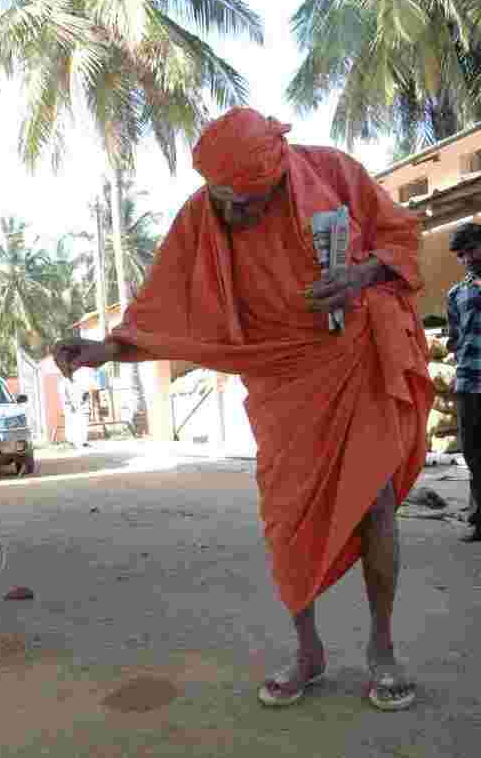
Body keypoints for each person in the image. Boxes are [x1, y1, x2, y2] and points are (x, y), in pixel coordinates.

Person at [54, 108, 434, 711]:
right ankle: (307, 651)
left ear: (278, 172)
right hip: (280, 386)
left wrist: (360, 275)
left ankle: (383, 651)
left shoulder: (333, 173)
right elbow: (165, 307)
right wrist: (103, 350)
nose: (231, 212)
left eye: (245, 200)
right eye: (221, 197)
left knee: (375, 504)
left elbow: (401, 237)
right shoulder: (205, 212)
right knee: (286, 518)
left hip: (352, 363)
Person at [446, 222, 481, 542]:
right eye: (461, 254)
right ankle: (479, 519)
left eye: (471, 249)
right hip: (469, 383)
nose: (467, 258)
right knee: (472, 452)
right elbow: (454, 337)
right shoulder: (456, 294)